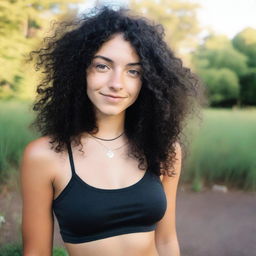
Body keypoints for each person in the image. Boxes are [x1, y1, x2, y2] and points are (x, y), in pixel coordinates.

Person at [21, 6, 201, 256]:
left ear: (147, 81)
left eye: (133, 71)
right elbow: (37, 252)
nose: (117, 83)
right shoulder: (44, 156)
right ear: (79, 71)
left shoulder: (163, 150)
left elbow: (167, 240)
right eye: (102, 66)